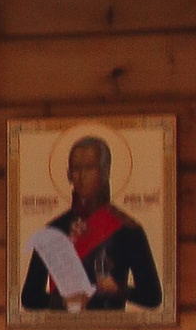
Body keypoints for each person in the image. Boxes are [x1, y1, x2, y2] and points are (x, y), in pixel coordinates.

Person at [22, 134, 164, 313]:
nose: (81, 177)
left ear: (105, 172)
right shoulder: (55, 230)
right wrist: (62, 301)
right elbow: (29, 297)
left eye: (89, 168)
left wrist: (119, 290)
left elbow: (153, 297)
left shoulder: (127, 229)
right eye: (76, 169)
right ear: (69, 174)